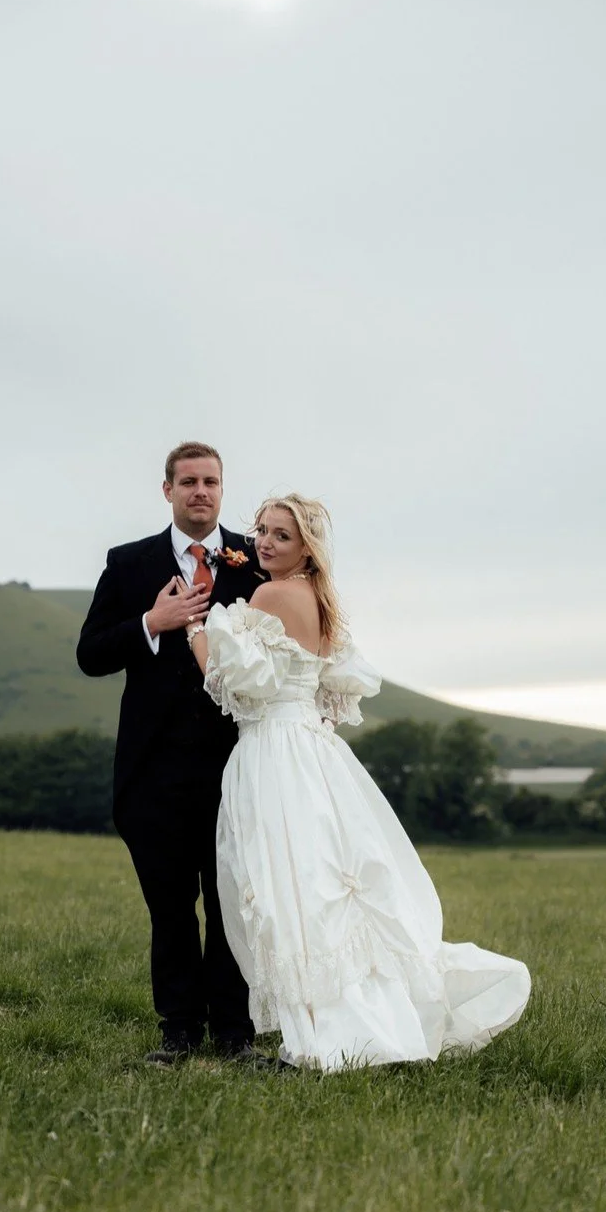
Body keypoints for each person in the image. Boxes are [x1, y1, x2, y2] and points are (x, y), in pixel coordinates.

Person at [181, 493, 530, 1071]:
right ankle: (346, 1027)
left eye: (281, 536)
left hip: (274, 752)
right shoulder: (318, 599)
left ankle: (324, 1040)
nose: (264, 542)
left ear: (306, 548)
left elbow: (235, 684)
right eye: (262, 530)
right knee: (318, 886)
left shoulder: (269, 594)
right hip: (312, 751)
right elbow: (326, 693)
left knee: (289, 891)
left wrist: (196, 628)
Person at [76, 441, 264, 1065]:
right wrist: (151, 623)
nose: (200, 491)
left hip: (238, 768)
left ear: (221, 488)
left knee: (231, 903)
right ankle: (179, 1032)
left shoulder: (254, 562)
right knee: (171, 908)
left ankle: (235, 1036)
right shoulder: (129, 564)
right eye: (188, 482)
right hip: (154, 770)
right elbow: (91, 653)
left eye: (211, 481)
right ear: (168, 491)